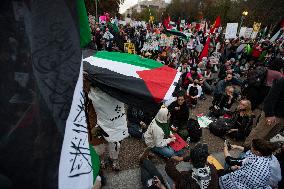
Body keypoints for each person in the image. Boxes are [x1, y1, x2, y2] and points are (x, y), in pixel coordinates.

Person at [244, 78, 284, 147]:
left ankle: (256, 154)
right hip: (273, 114)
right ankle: (245, 152)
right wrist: (269, 114)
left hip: (282, 118)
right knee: (258, 135)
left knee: (267, 139)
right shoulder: (282, 81)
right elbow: (271, 97)